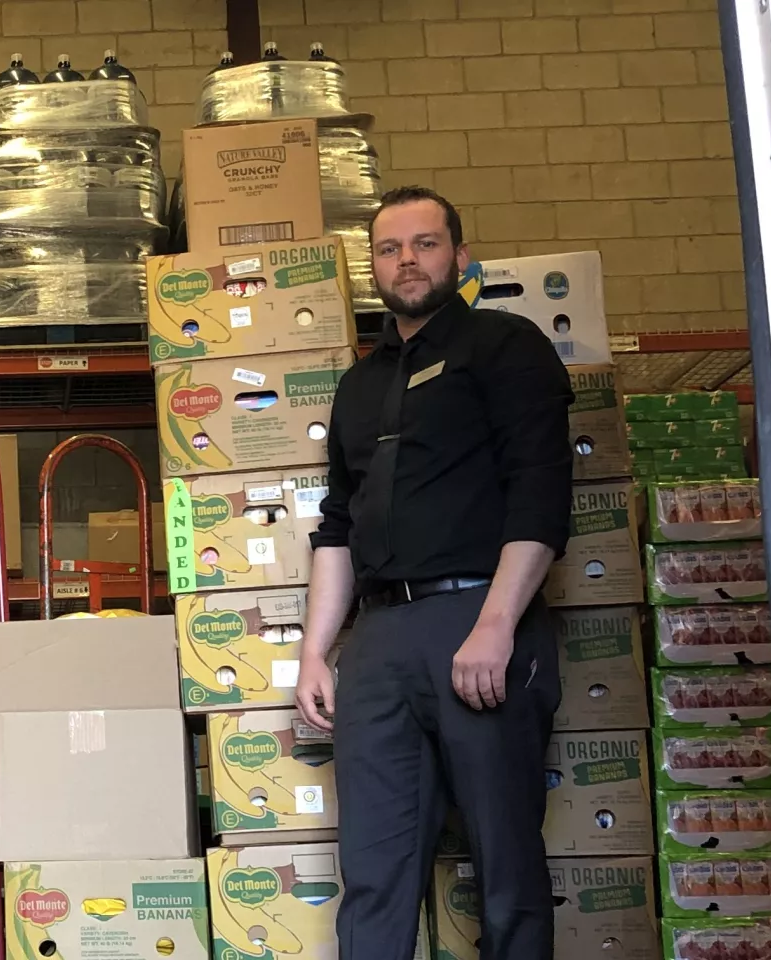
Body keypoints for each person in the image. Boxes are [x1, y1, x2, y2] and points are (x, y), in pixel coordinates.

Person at [291, 186, 574, 960]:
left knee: (505, 867)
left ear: (459, 254)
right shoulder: (359, 386)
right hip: (378, 640)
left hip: (477, 622)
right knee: (375, 871)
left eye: (423, 243)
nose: (406, 260)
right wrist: (316, 652)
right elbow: (339, 526)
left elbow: (541, 496)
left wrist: (496, 626)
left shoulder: (503, 346)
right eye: (389, 249)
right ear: (371, 267)